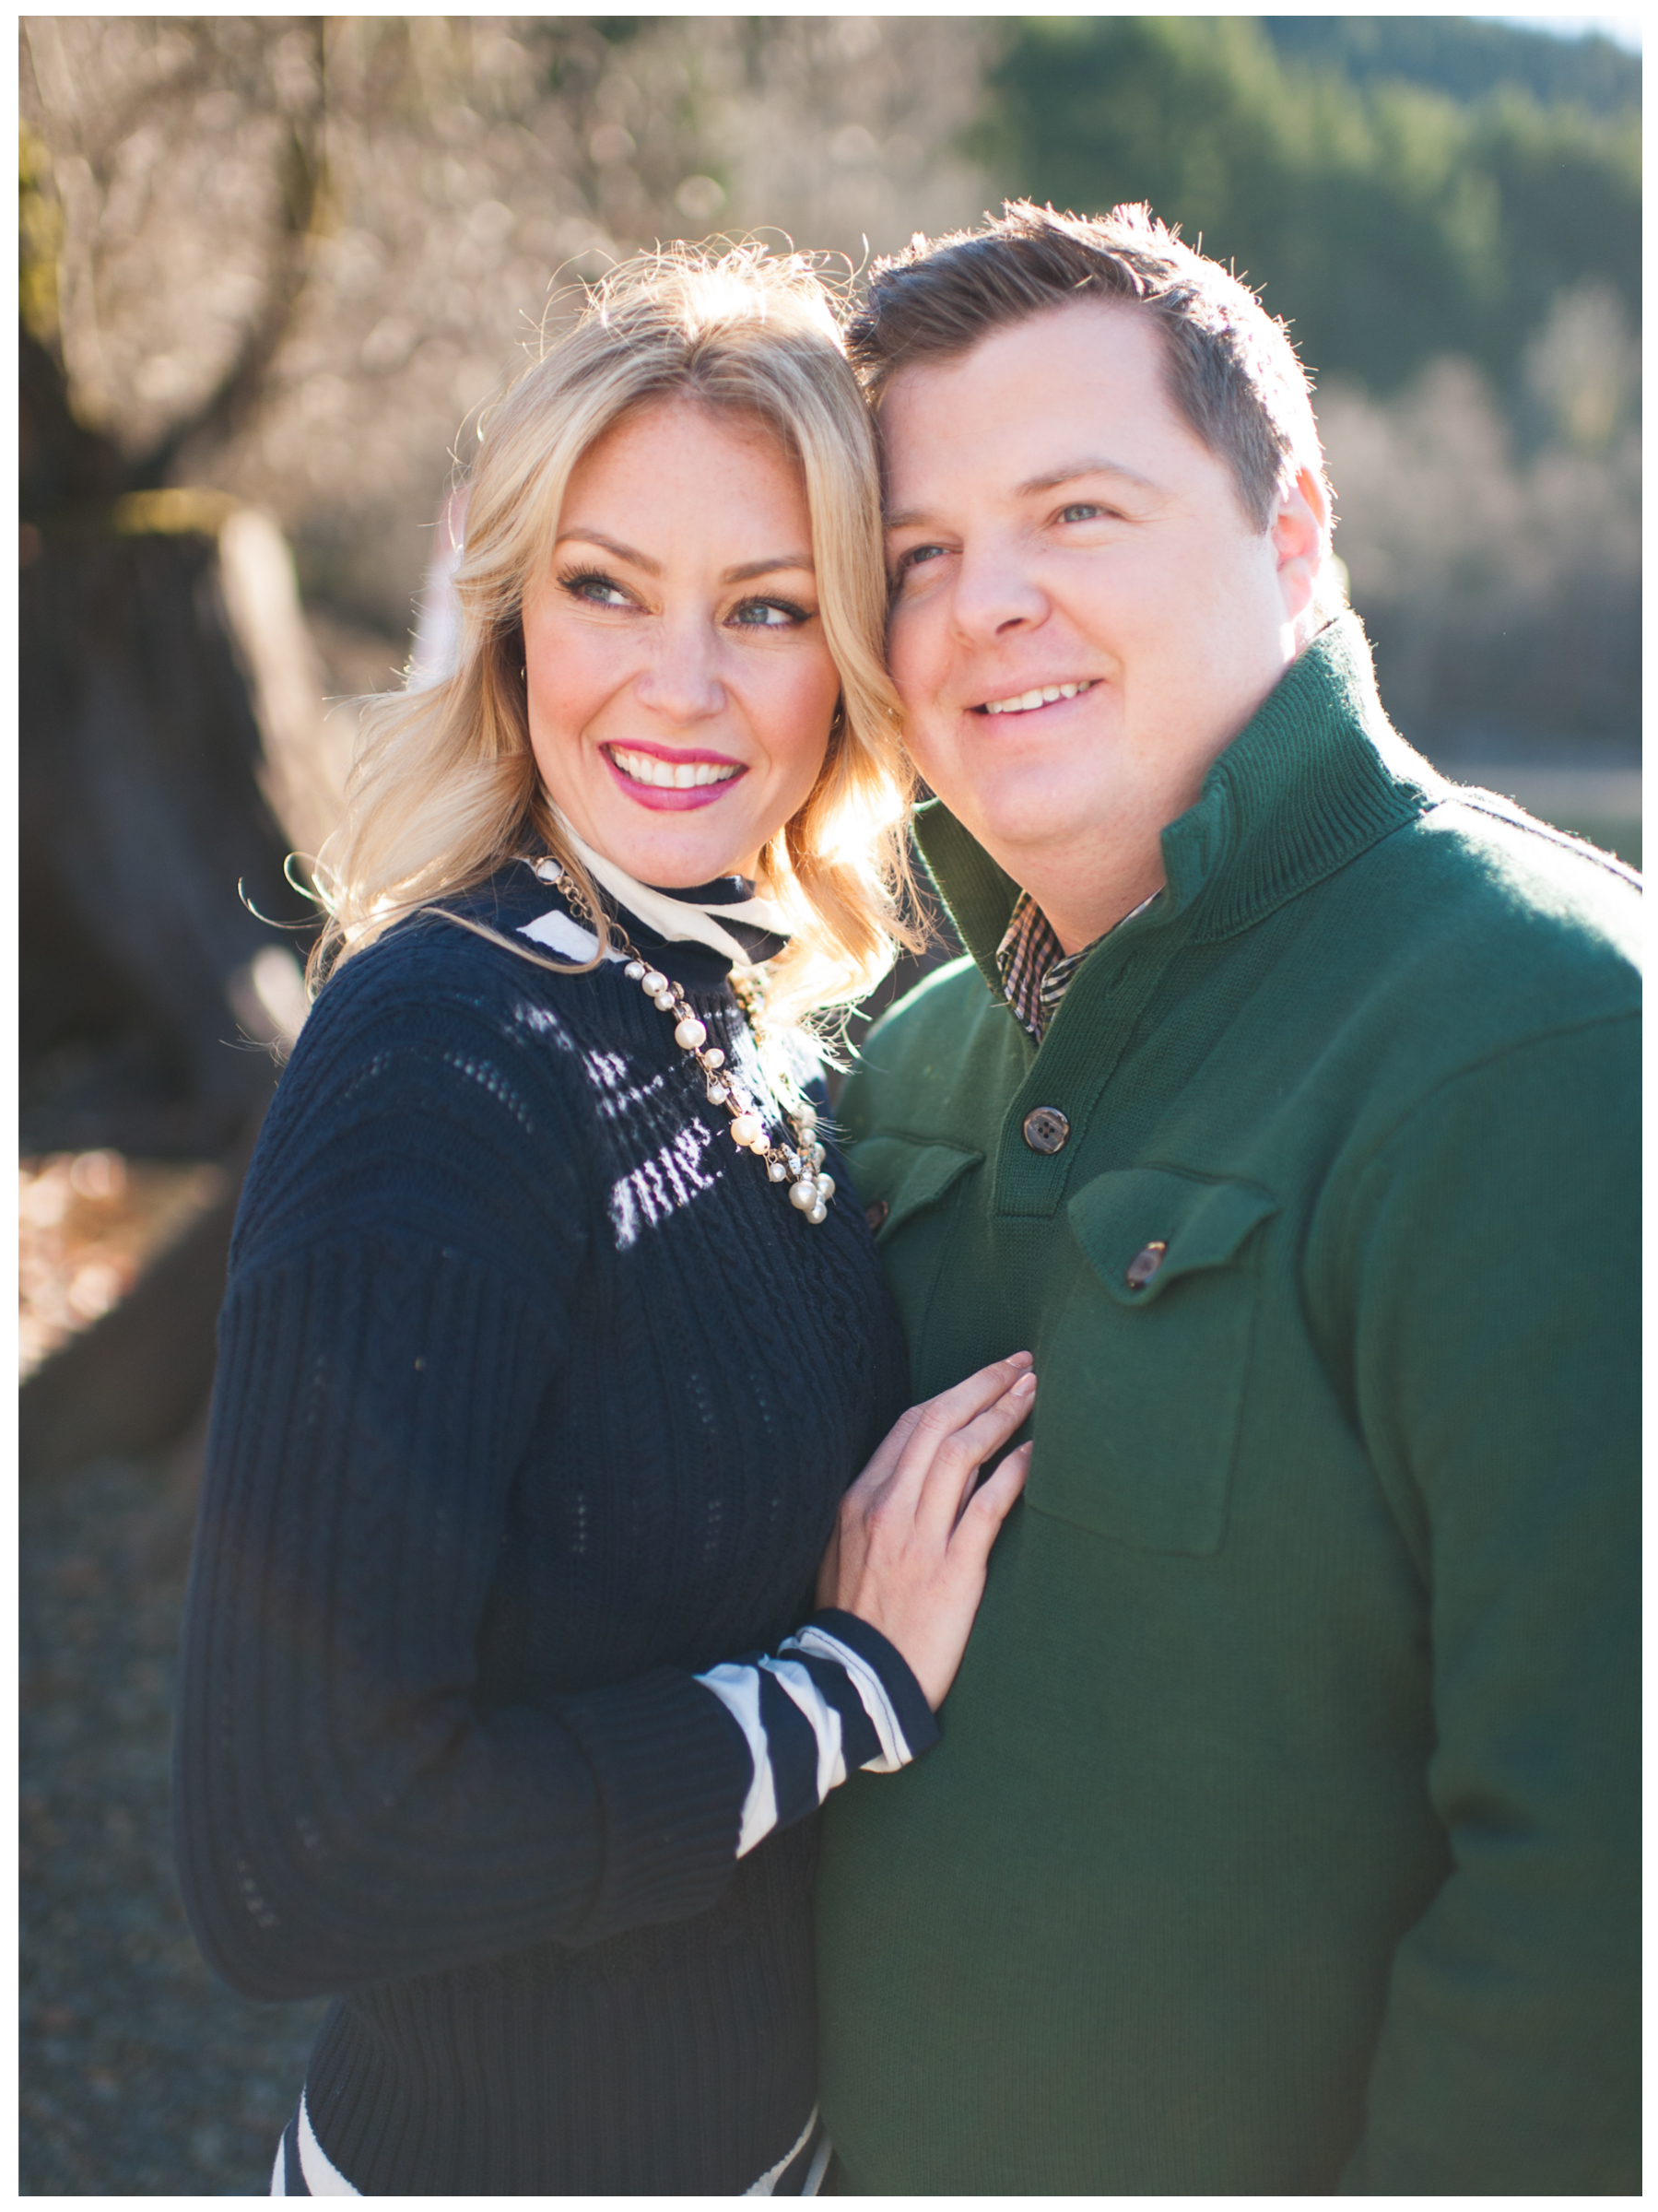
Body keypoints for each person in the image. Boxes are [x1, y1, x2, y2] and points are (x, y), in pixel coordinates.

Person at [172, 248, 1040, 2195]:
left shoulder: (739, 1004)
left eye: (769, 608)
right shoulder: (443, 1061)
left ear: (855, 660)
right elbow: (290, 1862)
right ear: (510, 621)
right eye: (606, 590)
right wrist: (846, 1690)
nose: (682, 685)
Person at [813, 203, 1638, 2192]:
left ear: (1292, 534)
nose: (981, 605)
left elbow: (1607, 1898)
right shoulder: (903, 1064)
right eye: (915, 555)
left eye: (1077, 513)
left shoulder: (1546, 1036)